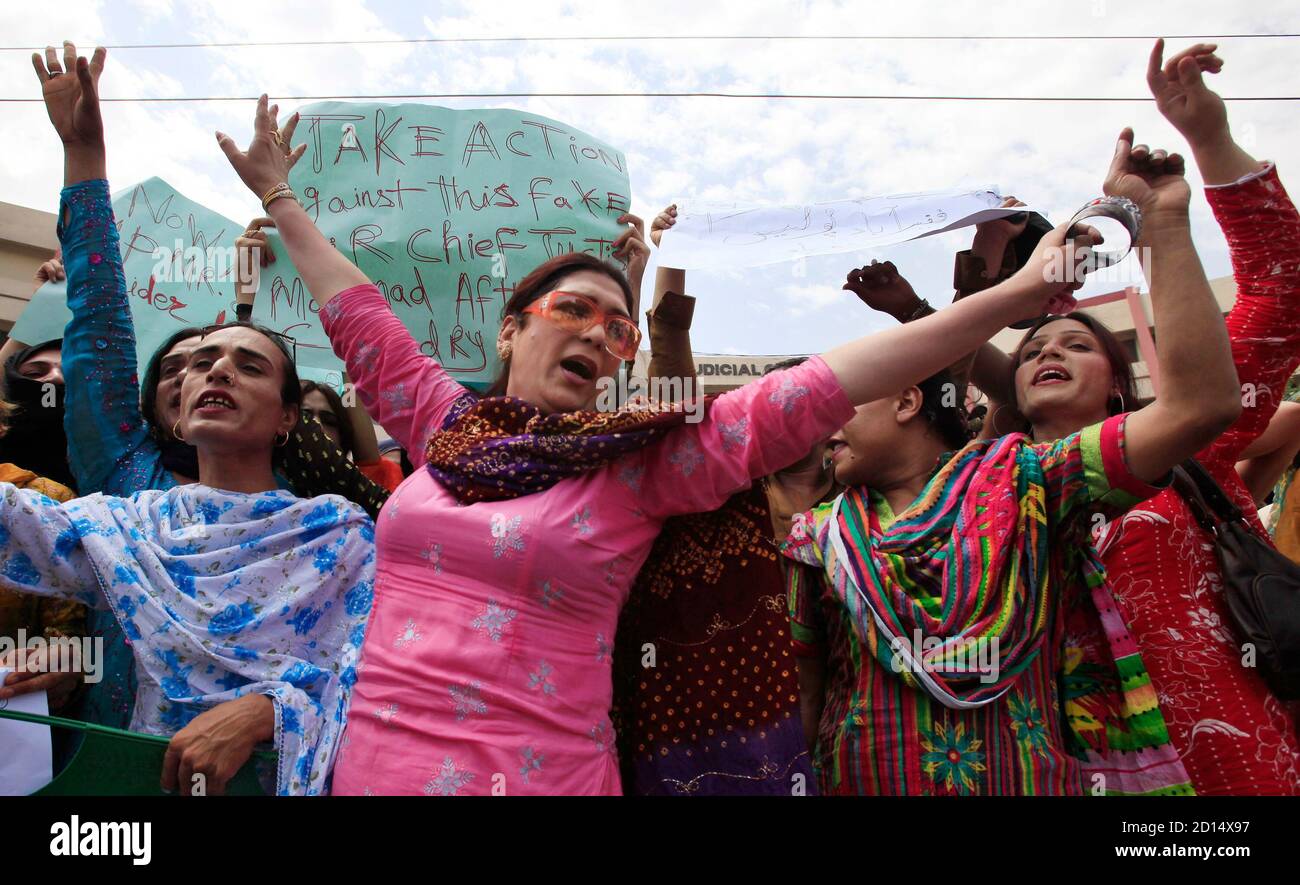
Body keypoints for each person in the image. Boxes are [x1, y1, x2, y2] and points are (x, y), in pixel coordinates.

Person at [213, 89, 1096, 795]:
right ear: (511, 332)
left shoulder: (639, 465)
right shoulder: (446, 427)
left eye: (619, 329)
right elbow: (360, 315)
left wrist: (1018, 297)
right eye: (574, 312)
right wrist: (279, 195)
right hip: (368, 769)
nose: (600, 337)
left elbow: (828, 381)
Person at [785, 103, 1243, 795]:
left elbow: (1198, 406)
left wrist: (1166, 222)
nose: (826, 425)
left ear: (909, 401)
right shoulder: (814, 534)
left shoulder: (1030, 480)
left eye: (844, 404)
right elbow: (804, 698)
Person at [2, 42, 377, 798]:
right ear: (169, 406)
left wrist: (270, 709)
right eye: (200, 362)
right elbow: (100, 328)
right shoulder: (120, 524)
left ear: (286, 418)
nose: (213, 371)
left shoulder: (339, 534)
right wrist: (84, 154)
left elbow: (373, 674)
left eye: (249, 364)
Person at [962, 41, 1300, 795]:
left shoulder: (1190, 450)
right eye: (1032, 347)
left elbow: (1281, 292)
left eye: (1076, 343)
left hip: (1229, 777)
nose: (1048, 351)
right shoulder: (977, 495)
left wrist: (1187, 176)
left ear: (1119, 385)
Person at [610, 208, 839, 794]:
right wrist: (675, 258)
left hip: (820, 743)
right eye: (774, 406)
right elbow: (669, 380)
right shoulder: (717, 490)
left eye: (800, 408)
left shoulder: (858, 506)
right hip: (687, 738)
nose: (785, 421)